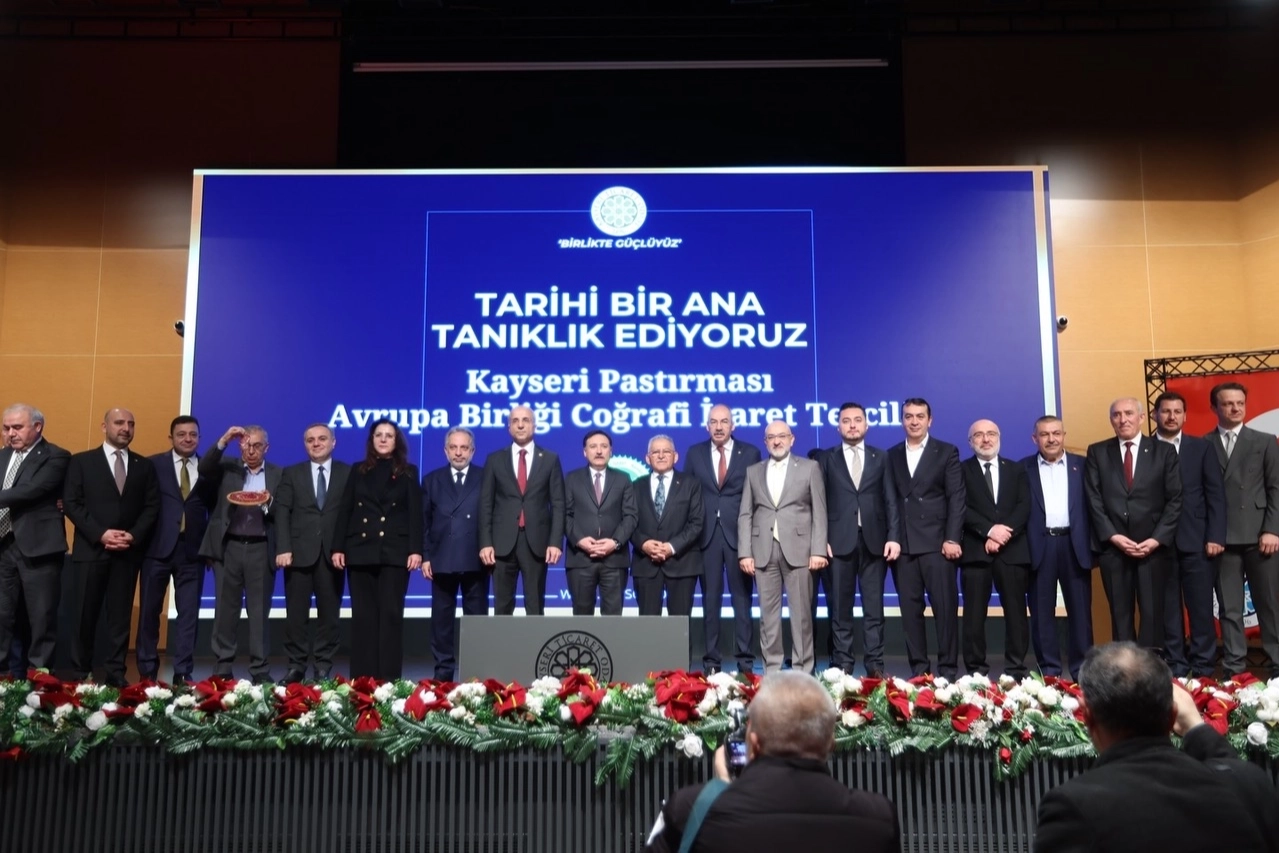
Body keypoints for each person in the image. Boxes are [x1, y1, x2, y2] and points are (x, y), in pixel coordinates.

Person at [1033, 641, 1279, 853]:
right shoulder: (1250, 784)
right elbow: (1235, 774)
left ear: (1087, 716)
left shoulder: (1074, 809)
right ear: (1172, 715)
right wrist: (1196, 727)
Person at [645, 670, 900, 853]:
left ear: (753, 744)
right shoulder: (878, 820)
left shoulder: (691, 810)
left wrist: (717, 794)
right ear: (831, 744)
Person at [63, 408, 160, 686]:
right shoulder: (81, 462)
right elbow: (72, 503)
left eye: (131, 424)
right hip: (91, 550)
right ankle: (81, 672)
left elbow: (152, 507)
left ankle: (116, 672)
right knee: (85, 616)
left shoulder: (144, 465)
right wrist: (101, 534)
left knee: (120, 618)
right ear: (104, 426)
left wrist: (133, 535)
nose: (126, 428)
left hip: (127, 553)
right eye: (119, 423)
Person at [1084, 397, 1182, 650]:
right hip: (1114, 549)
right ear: (1111, 420)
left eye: (1128, 413)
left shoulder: (1163, 451)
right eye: (1117, 415)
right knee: (1120, 614)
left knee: (1152, 614)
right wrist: (1113, 536)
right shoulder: (1097, 452)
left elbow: (1175, 499)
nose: (1123, 419)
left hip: (1153, 548)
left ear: (1141, 418)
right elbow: (1093, 499)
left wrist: (1156, 539)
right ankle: (1124, 667)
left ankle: (1150, 666)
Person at [331, 419, 422, 681]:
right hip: (360, 551)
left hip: (395, 552)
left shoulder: (408, 471)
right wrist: (338, 547)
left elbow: (415, 514)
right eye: (378, 435)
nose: (383, 439)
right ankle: (363, 681)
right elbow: (346, 509)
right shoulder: (358, 470)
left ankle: (389, 681)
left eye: (389, 435)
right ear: (371, 440)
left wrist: (416, 550)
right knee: (363, 618)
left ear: (396, 441)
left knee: (391, 616)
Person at [817, 401, 900, 678]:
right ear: (838, 427)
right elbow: (819, 502)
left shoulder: (881, 457)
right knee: (840, 609)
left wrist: (894, 537)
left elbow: (890, 500)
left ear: (866, 424)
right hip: (837, 543)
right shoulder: (826, 459)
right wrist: (821, 539)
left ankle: (875, 665)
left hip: (875, 542)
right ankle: (843, 664)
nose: (852, 425)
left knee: (874, 609)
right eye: (846, 421)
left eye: (857, 420)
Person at [738, 421, 827, 674]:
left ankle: (803, 671)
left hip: (800, 551)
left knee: (802, 616)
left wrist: (818, 550)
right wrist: (745, 552)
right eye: (771, 437)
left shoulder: (810, 468)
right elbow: (746, 513)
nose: (777, 441)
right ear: (765, 441)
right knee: (768, 618)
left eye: (782, 436)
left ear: (792, 439)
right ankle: (772, 672)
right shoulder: (753, 471)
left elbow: (819, 511)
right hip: (763, 551)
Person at [886, 398, 965, 679]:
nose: (914, 421)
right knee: (910, 613)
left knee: (945, 611)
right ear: (902, 421)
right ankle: (919, 672)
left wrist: (952, 538)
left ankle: (948, 673)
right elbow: (892, 501)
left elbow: (956, 498)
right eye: (909, 416)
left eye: (920, 416)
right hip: (905, 547)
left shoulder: (946, 452)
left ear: (930, 420)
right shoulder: (891, 455)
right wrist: (893, 538)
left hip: (937, 545)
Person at [198, 424, 283, 684]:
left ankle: (259, 669)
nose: (251, 450)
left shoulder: (279, 474)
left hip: (261, 547)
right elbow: (204, 468)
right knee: (225, 610)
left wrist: (269, 503)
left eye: (257, 445)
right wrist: (224, 439)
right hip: (229, 547)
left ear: (266, 448)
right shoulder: (228, 467)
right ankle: (223, 666)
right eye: (246, 445)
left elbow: (284, 512)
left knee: (259, 612)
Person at [1207, 381, 1279, 678]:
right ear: (1214, 407)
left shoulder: (1264, 441)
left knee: (1270, 605)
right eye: (1227, 403)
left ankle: (1278, 666)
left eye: (1239, 403)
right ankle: (1234, 670)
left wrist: (1272, 529)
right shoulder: (1203, 444)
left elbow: (1276, 488)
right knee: (1230, 609)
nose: (1235, 408)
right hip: (1222, 540)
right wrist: (1210, 535)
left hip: (1261, 536)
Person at [684, 403, 762, 674]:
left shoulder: (750, 453)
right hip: (705, 536)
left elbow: (756, 495)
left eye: (724, 421)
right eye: (714, 422)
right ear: (707, 426)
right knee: (710, 601)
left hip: (739, 535)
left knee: (742, 601)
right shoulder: (694, 453)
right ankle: (711, 662)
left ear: (733, 425)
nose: (719, 427)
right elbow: (688, 495)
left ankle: (745, 662)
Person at [1152, 391, 1225, 677]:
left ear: (1184, 416)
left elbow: (1215, 494)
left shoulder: (1202, 448)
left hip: (1197, 541)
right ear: (1155, 415)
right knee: (1168, 610)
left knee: (1201, 608)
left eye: (1177, 411)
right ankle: (1176, 666)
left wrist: (1215, 536)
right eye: (1165, 411)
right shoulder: (1144, 449)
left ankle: (1203, 667)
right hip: (1158, 543)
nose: (1171, 416)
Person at [137, 416, 213, 684]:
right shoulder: (152, 464)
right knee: (149, 612)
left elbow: (215, 510)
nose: (187, 439)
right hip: (156, 549)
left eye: (193, 434)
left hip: (192, 551)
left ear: (199, 438)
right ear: (171, 438)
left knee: (188, 615)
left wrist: (210, 549)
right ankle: (147, 670)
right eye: (181, 434)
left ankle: (182, 671)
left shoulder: (208, 468)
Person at [273, 423, 350, 683]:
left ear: (333, 442)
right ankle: (296, 666)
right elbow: (282, 512)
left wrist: (344, 548)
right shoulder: (292, 473)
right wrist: (283, 547)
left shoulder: (347, 473)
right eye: (310, 440)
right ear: (305, 444)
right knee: (296, 616)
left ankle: (323, 666)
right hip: (297, 555)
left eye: (322, 439)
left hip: (333, 556)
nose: (316, 443)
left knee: (330, 615)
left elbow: (350, 514)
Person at [1021, 415, 1094, 680]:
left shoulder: (1083, 466)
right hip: (1039, 547)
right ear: (1035, 438)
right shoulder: (1022, 469)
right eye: (1044, 434)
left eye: (1056, 433)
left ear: (1064, 435)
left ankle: (1082, 672)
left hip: (1075, 546)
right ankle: (1049, 673)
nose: (1051, 439)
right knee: (1042, 614)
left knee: (1080, 613)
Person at [0, 403, 70, 675]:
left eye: (17, 427)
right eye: (6, 428)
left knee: (42, 619)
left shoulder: (56, 456)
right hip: (3, 547)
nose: (10, 433)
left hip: (39, 549)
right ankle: (4, 679)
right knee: (3, 615)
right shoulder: (3, 456)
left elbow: (32, 490)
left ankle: (40, 679)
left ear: (37, 427)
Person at [960, 419, 1032, 678]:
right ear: (970, 442)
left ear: (999, 438)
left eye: (991, 434)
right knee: (973, 617)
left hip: (1012, 552)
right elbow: (960, 507)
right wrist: (989, 531)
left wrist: (1002, 534)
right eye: (979, 435)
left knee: (1016, 614)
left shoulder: (1016, 469)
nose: (986, 439)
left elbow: (1024, 505)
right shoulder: (961, 470)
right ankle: (976, 672)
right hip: (976, 552)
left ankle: (1015, 670)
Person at [478, 406, 564, 616]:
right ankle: (503, 640)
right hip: (501, 543)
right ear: (509, 428)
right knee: (502, 606)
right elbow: (486, 504)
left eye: (525, 420)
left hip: (536, 542)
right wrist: (486, 543)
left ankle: (535, 640)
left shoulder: (550, 459)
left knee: (535, 605)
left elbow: (558, 504)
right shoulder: (495, 459)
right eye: (515, 421)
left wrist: (555, 542)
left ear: (534, 425)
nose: (520, 425)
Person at [421, 427, 487, 681]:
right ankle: (443, 674)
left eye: (464, 448)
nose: (459, 453)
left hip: (476, 558)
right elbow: (424, 522)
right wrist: (426, 556)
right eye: (453, 447)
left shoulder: (485, 477)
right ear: (445, 451)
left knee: (477, 620)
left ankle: (476, 673)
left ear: (473, 451)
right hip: (442, 559)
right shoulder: (432, 480)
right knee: (442, 621)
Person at [564, 430, 637, 615]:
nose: (598, 451)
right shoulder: (571, 479)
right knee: (581, 618)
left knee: (613, 619)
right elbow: (564, 515)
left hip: (614, 559)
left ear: (610, 451)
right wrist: (580, 540)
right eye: (593, 446)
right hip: (580, 559)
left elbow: (630, 516)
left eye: (604, 447)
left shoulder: (623, 479)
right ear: (584, 452)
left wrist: (615, 542)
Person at [631, 435, 704, 617]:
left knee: (680, 626)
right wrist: (644, 544)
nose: (661, 455)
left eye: (666, 452)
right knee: (648, 626)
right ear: (647, 458)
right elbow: (629, 522)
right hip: (646, 565)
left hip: (682, 563)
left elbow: (696, 522)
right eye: (656, 452)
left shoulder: (691, 484)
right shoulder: (635, 486)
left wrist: (671, 547)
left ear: (675, 456)